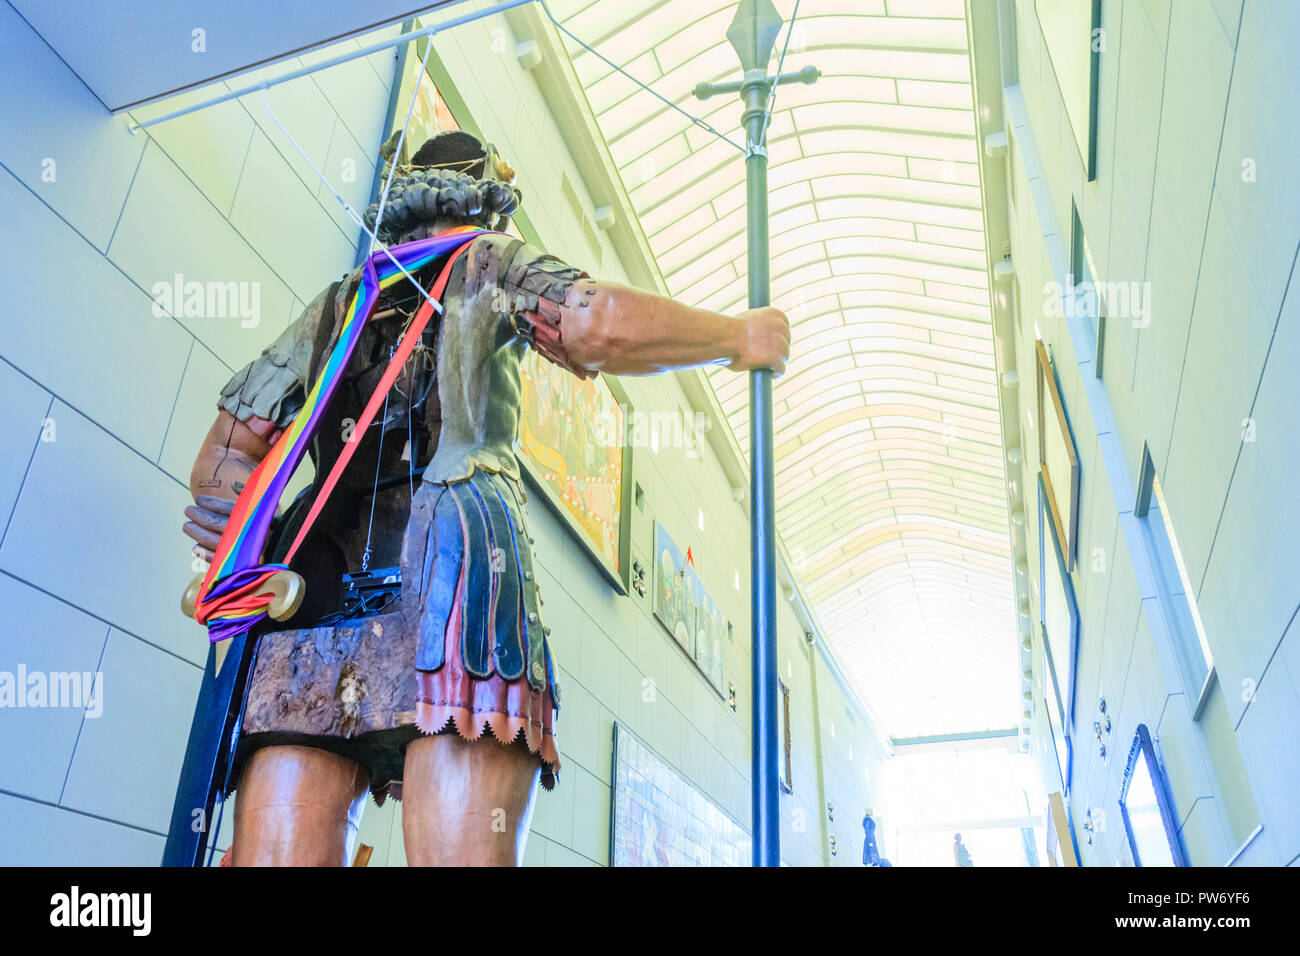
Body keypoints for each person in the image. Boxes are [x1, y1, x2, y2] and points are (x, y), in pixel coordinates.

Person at [181, 130, 790, 866]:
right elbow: (593, 323)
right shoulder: (487, 262)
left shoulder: (344, 300)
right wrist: (735, 337)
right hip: (452, 586)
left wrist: (245, 537)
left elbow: (225, 455)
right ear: (488, 197)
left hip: (318, 589)